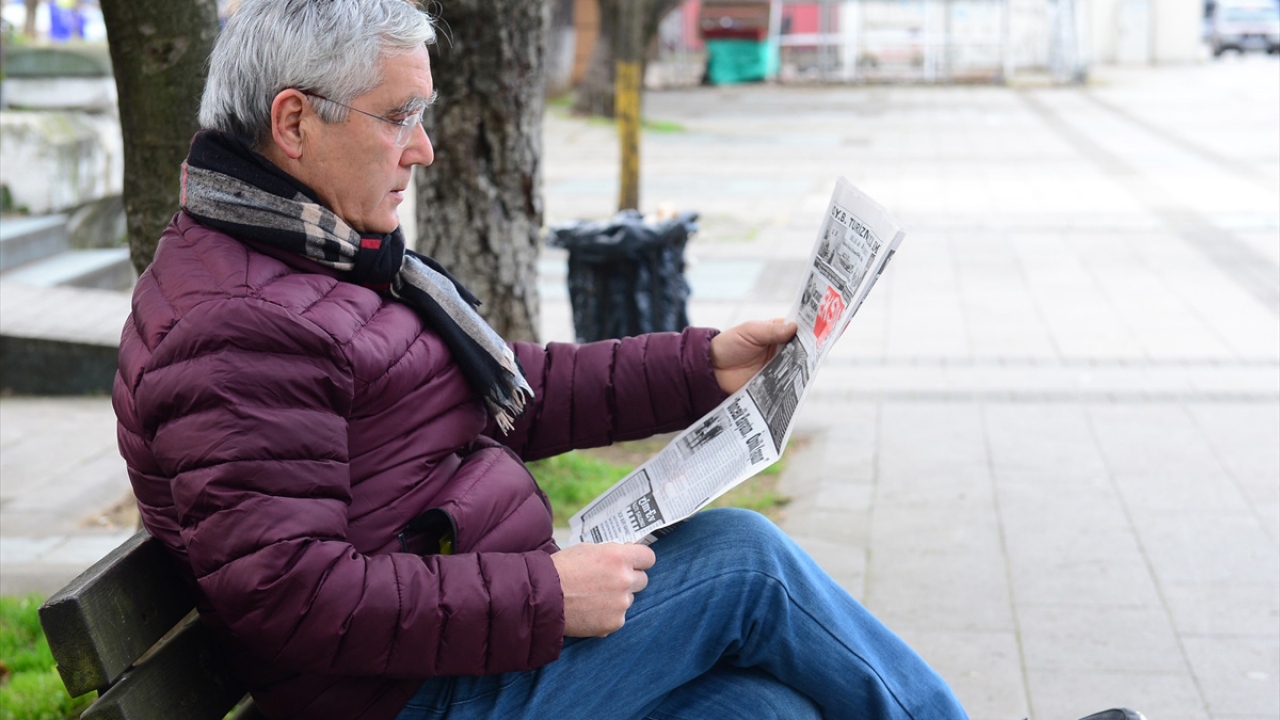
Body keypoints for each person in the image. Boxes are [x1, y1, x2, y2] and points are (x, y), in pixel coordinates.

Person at [113, 2, 1145, 719]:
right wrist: (544, 595)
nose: (421, 148)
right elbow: (292, 597)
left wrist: (704, 367)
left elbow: (512, 395)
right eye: (400, 117)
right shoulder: (239, 326)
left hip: (454, 649)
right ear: (294, 122)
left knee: (766, 712)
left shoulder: (313, 256)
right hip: (411, 696)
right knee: (743, 564)